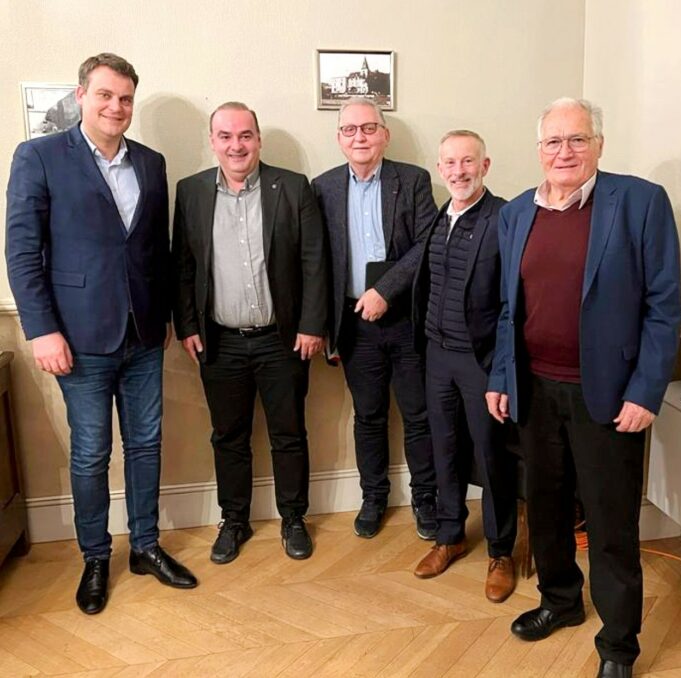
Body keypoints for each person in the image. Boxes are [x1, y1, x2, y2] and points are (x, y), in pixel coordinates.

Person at [485, 98, 681, 678]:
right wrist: (500, 376)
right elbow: (508, 308)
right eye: (553, 141)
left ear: (599, 144)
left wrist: (646, 391)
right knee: (546, 509)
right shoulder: (516, 213)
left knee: (610, 522)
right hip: (533, 389)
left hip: (610, 394)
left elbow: (663, 306)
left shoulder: (640, 202)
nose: (564, 151)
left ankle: (618, 645)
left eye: (577, 139)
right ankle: (560, 601)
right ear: (539, 149)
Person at [5, 53, 198, 615]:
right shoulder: (40, 156)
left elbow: (156, 251)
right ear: (82, 95)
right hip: (78, 338)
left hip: (144, 335)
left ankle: (145, 546)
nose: (117, 107)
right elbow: (22, 252)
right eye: (106, 95)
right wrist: (42, 330)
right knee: (91, 453)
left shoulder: (152, 163)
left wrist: (165, 315)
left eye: (126, 98)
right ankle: (95, 557)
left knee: (146, 445)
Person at [172, 102, 326, 564]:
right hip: (219, 342)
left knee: (289, 433)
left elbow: (314, 262)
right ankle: (234, 520)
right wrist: (187, 325)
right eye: (225, 136)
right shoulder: (192, 191)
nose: (236, 145)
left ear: (258, 140)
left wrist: (312, 324)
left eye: (245, 135)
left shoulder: (292, 187)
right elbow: (183, 266)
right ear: (212, 141)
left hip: (282, 340)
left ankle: (293, 518)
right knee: (228, 437)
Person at [312, 97, 437, 540]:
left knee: (419, 414)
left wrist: (386, 290)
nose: (360, 137)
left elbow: (426, 243)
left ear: (385, 134)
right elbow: (317, 261)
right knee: (368, 416)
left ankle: (426, 499)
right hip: (354, 325)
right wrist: (325, 329)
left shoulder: (413, 180)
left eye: (368, 128)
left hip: (405, 319)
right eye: (350, 130)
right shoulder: (322, 187)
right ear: (339, 138)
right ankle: (373, 497)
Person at [412, 130, 518, 602]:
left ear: (485, 165)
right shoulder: (441, 217)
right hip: (436, 356)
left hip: (481, 360)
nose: (459, 171)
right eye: (450, 163)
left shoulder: (503, 218)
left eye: (468, 161)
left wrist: (503, 371)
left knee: (493, 456)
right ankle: (450, 534)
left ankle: (501, 551)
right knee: (445, 449)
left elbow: (513, 302)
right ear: (440, 169)